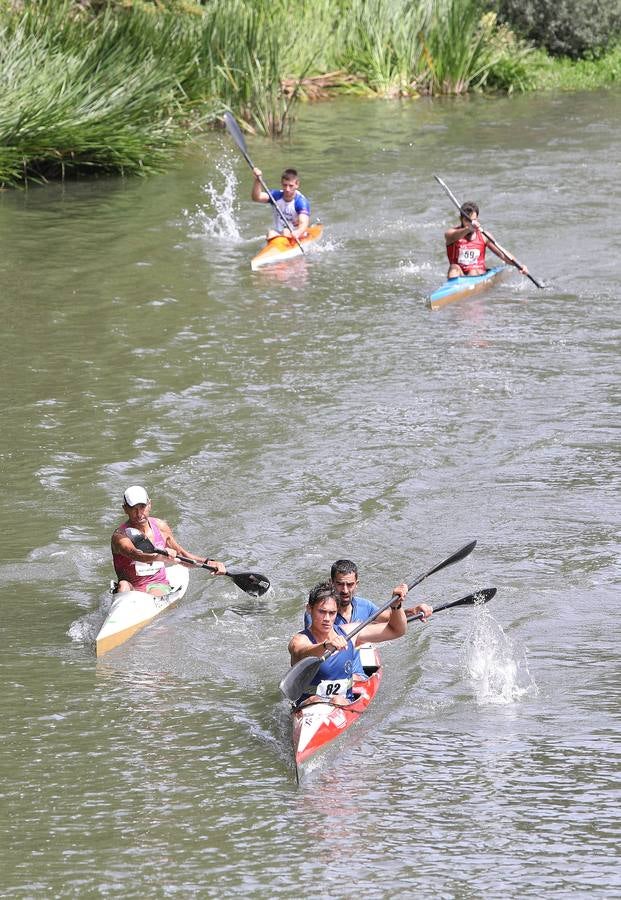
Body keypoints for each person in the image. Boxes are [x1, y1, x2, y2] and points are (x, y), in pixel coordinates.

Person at [288, 581, 407, 707]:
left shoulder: (350, 633)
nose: (327, 619)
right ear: (309, 609)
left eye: (332, 613)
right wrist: (324, 646)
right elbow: (301, 651)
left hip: (343, 703)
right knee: (315, 700)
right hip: (309, 705)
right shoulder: (299, 640)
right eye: (322, 612)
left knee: (337, 700)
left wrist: (396, 606)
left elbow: (397, 630)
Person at [111, 485, 226, 596]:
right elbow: (135, 554)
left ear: (150, 504)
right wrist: (160, 556)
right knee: (123, 585)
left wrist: (209, 562)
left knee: (154, 594)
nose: (139, 514)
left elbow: (181, 555)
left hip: (157, 586)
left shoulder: (160, 526)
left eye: (142, 507)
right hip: (131, 587)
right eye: (133, 509)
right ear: (125, 509)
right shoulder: (120, 536)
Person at [303, 559, 432, 628]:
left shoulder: (365, 606)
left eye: (350, 584)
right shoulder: (319, 610)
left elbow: (391, 618)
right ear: (331, 583)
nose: (345, 590)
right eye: (340, 584)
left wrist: (414, 611)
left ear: (356, 584)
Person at [445, 201, 529, 279]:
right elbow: (453, 236)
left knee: (473, 272)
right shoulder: (451, 234)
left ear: (477, 219)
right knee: (453, 268)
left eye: (474, 220)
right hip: (459, 274)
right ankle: (451, 291)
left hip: (477, 273)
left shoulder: (484, 236)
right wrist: (468, 229)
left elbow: (502, 254)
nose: (471, 223)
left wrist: (519, 265)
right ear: (461, 219)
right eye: (467, 220)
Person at [251, 166, 310, 241]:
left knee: (286, 231)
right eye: (285, 185)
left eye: (291, 186)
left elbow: (303, 222)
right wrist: (257, 181)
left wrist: (298, 232)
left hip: (297, 234)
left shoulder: (301, 202)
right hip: (281, 233)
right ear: (281, 184)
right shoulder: (276, 196)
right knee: (270, 233)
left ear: (297, 185)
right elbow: (256, 198)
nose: (287, 189)